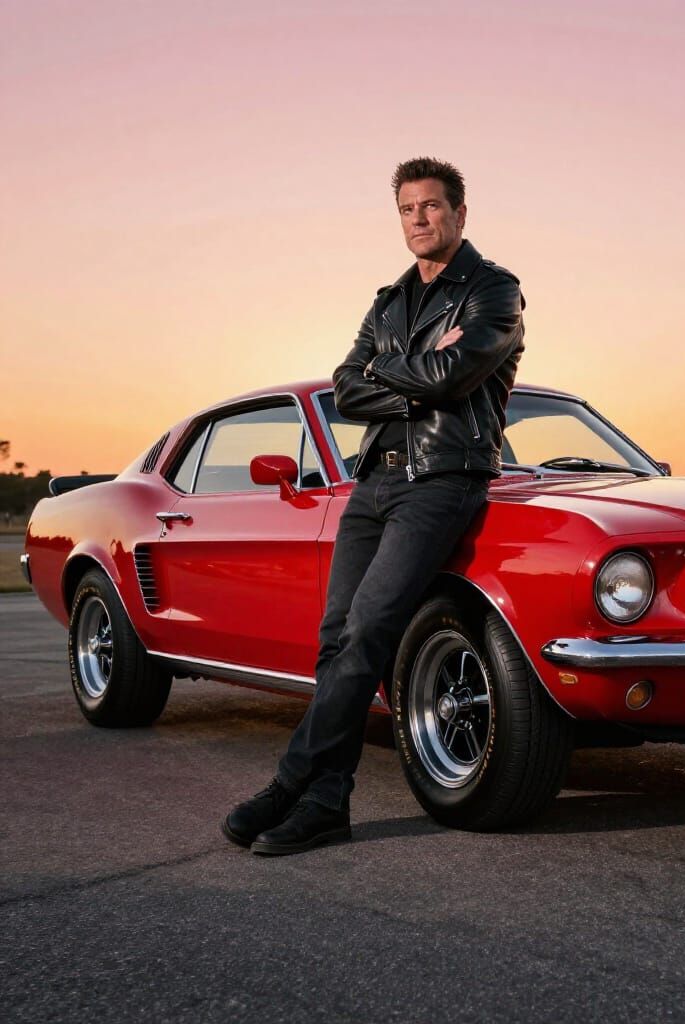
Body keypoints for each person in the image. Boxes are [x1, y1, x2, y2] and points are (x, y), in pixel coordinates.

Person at [222, 157, 525, 856]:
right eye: (407, 211)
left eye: (432, 207)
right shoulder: (389, 301)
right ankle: (327, 804)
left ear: (460, 214)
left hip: (443, 478)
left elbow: (456, 374)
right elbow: (345, 388)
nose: (419, 221)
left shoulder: (494, 289)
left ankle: (286, 784)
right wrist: (420, 378)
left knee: (368, 633)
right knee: (335, 640)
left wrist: (397, 377)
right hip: (374, 483)